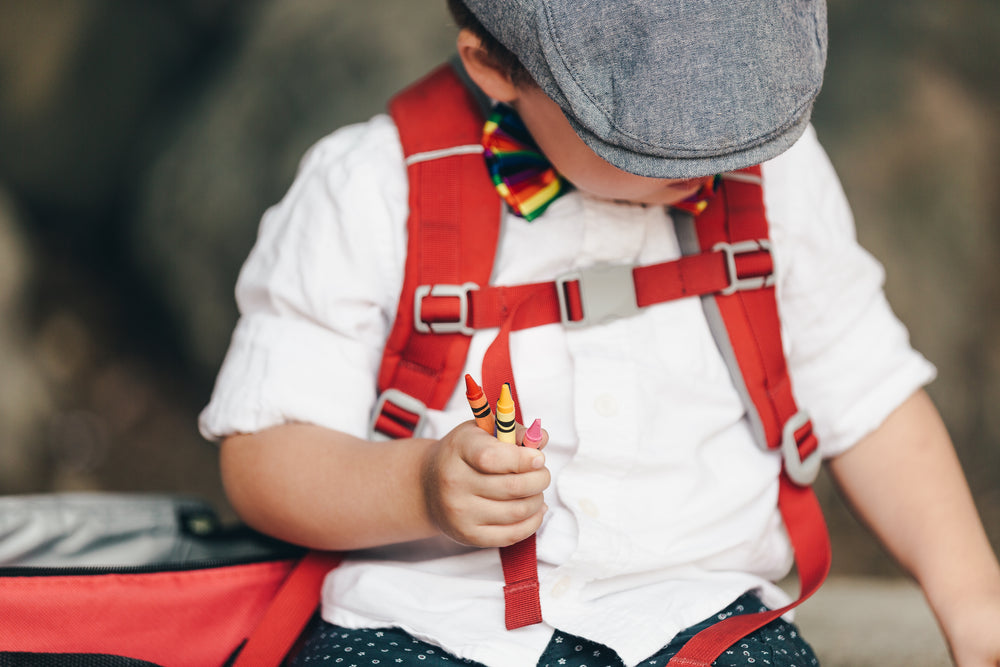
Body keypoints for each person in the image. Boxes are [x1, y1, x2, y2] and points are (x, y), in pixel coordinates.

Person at [199, 1, 1000, 665]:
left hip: (703, 616)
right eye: (646, 133)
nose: (711, 150)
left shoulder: (770, 175)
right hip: (425, 620)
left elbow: (866, 385)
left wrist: (974, 598)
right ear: (492, 67)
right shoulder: (371, 189)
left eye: (734, 110)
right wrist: (421, 487)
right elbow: (266, 455)